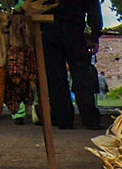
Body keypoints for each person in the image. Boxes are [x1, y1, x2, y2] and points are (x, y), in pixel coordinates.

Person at [41, 0, 101, 130]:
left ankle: (63, 118)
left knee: (55, 76)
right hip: (74, 27)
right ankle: (90, 118)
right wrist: (95, 34)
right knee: (81, 74)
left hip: (49, 26)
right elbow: (93, 7)